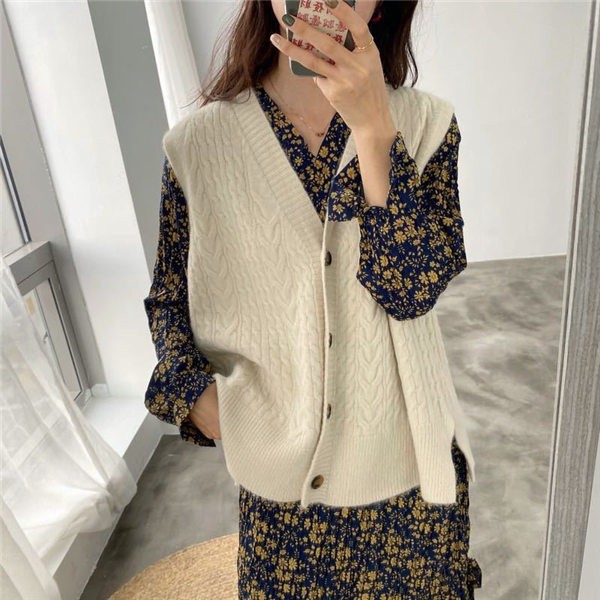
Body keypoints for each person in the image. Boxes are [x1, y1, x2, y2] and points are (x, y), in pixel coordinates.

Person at [143, 0, 482, 597]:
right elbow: (169, 297)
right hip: (281, 496)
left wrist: (374, 131)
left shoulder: (428, 123)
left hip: (408, 479)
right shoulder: (197, 145)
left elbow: (412, 291)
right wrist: (198, 400)